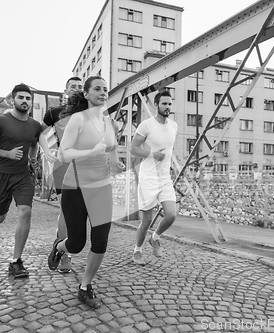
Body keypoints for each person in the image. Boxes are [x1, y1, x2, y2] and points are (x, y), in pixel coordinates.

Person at [47, 76, 124, 308]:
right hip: (76, 186)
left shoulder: (110, 123)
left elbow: (110, 150)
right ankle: (60, 247)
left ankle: (85, 286)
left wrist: (116, 162)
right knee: (77, 244)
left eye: (105, 89)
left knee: (100, 241)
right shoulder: (77, 120)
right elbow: (64, 155)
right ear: (87, 94)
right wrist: (90, 152)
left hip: (101, 187)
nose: (102, 92)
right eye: (97, 89)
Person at [0, 83, 42, 278]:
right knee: (0, 215)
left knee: (26, 212)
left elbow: (33, 144)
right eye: (21, 97)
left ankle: (16, 261)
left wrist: (32, 160)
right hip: (1, 174)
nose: (25, 101)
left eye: (28, 98)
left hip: (23, 175)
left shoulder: (34, 125)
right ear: (12, 100)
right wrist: (7, 153)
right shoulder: (0, 121)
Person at [39, 77, 83, 273]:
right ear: (65, 90)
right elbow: (39, 133)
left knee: (81, 214)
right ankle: (64, 254)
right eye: (73, 86)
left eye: (80, 87)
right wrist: (47, 152)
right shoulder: (55, 113)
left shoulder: (88, 113)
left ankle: (65, 244)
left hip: (84, 167)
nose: (76, 89)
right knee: (66, 211)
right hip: (63, 166)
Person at [130, 90, 178, 265]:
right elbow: (133, 149)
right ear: (157, 105)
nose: (167, 107)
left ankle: (155, 237)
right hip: (148, 177)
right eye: (164, 103)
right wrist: (152, 154)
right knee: (147, 220)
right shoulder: (146, 125)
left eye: (170, 103)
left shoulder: (174, 126)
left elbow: (169, 149)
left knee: (171, 215)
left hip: (165, 177)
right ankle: (137, 251)